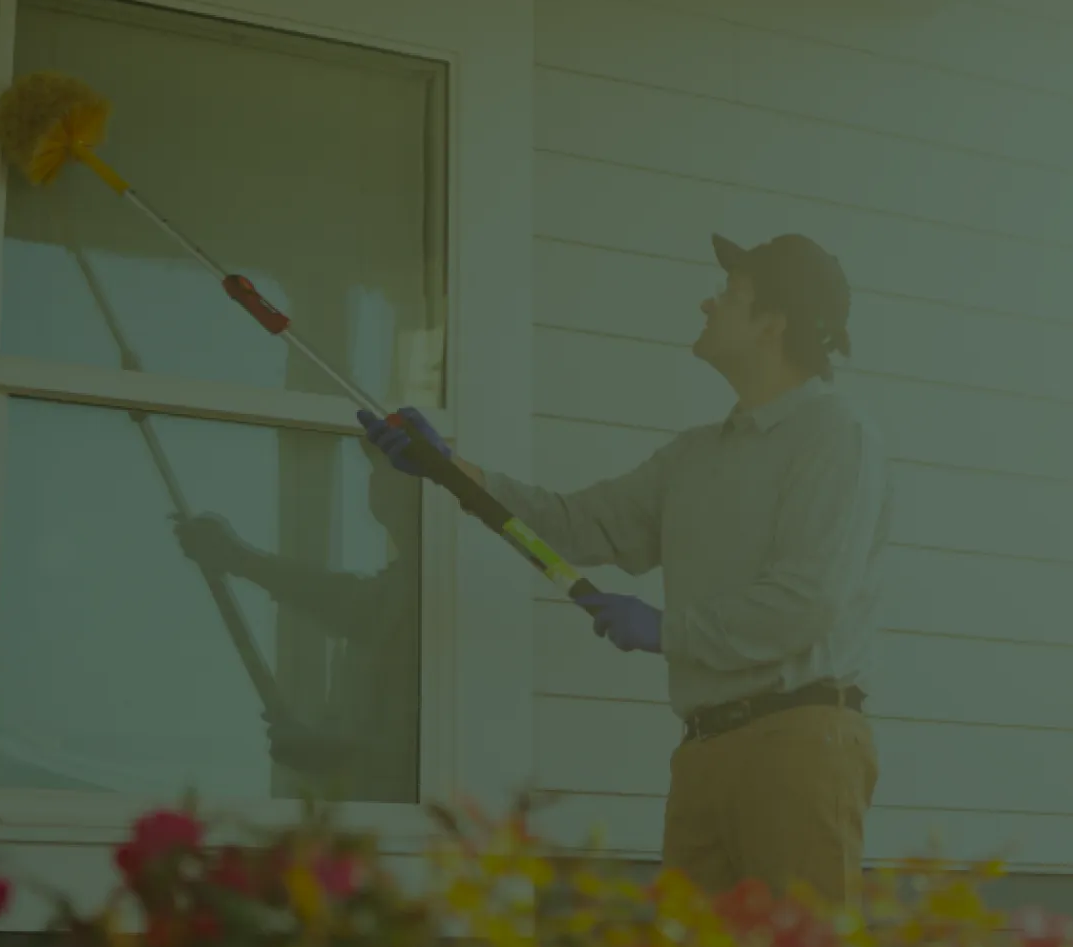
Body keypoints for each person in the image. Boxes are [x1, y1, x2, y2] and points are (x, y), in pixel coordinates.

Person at [359, 232, 893, 905]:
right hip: (703, 748)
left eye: (730, 294)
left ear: (772, 322)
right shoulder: (695, 456)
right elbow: (578, 523)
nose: (708, 303)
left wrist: (668, 629)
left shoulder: (835, 434)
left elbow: (808, 601)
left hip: (799, 744)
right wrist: (452, 472)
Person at [169, 442, 422, 804]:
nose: (375, 482)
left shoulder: (432, 590)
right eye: (374, 469)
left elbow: (352, 605)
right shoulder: (402, 588)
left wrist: (236, 557)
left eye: (388, 469)